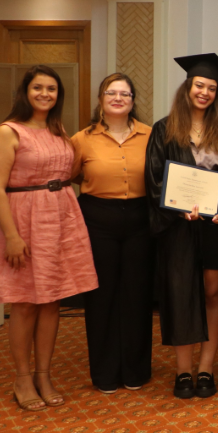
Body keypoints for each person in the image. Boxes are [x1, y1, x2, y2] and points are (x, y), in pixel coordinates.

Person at [145, 54, 218, 399]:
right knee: (182, 295)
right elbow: (153, 180)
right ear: (187, 88)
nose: (205, 92)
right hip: (179, 227)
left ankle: (207, 367)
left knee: (213, 293)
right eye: (199, 86)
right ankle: (183, 371)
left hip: (216, 225)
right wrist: (178, 211)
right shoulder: (164, 129)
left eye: (211, 88)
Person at [0, 65, 99, 411]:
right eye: (38, 88)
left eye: (52, 89)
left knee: (52, 300)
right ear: (25, 91)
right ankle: (22, 378)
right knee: (24, 302)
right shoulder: (8, 132)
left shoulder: (58, 129)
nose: (45, 94)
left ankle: (43, 374)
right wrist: (11, 235)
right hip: (23, 219)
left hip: (61, 218)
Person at [70, 72, 154, 394]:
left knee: (137, 294)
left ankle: (135, 370)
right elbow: (73, 175)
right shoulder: (82, 138)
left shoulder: (150, 134)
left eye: (125, 94)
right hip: (97, 218)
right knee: (101, 296)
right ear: (100, 100)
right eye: (111, 93)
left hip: (139, 218)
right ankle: (105, 373)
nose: (118, 98)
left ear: (133, 101)